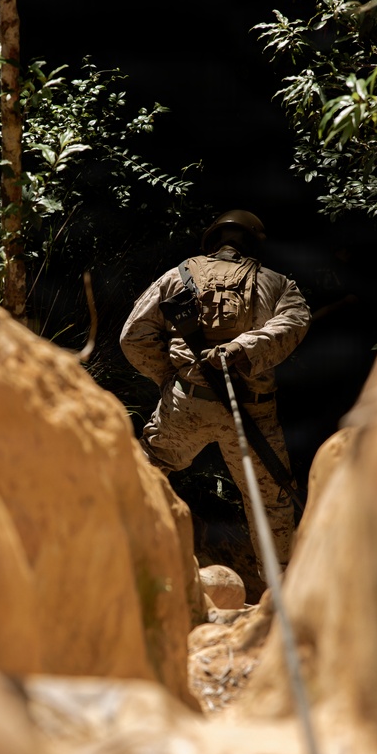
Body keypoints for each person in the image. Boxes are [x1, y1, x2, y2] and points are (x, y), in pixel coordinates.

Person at [120, 209, 310, 571]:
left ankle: (119, 553)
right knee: (270, 501)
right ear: (255, 244)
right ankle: (281, 590)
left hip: (185, 404)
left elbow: (133, 336)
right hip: (252, 410)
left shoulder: (176, 276)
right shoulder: (276, 282)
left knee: (149, 469)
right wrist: (244, 350)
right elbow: (296, 322)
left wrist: (169, 377)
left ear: (212, 241)